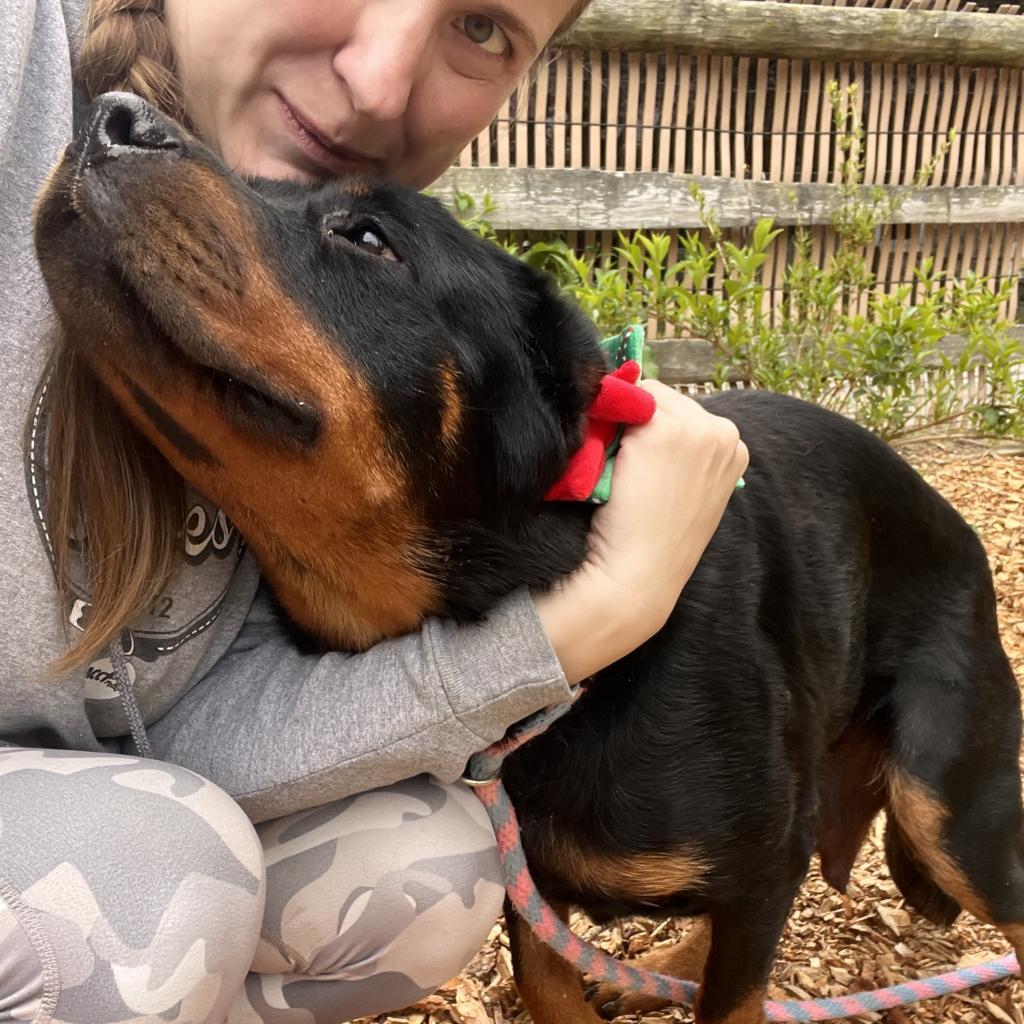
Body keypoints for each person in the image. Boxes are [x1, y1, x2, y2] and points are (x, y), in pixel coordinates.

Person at [0, 1, 750, 1022]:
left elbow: (179, 734)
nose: (380, 77)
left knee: (426, 866)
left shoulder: (291, 466)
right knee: (155, 882)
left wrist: (596, 613)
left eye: (483, 27)